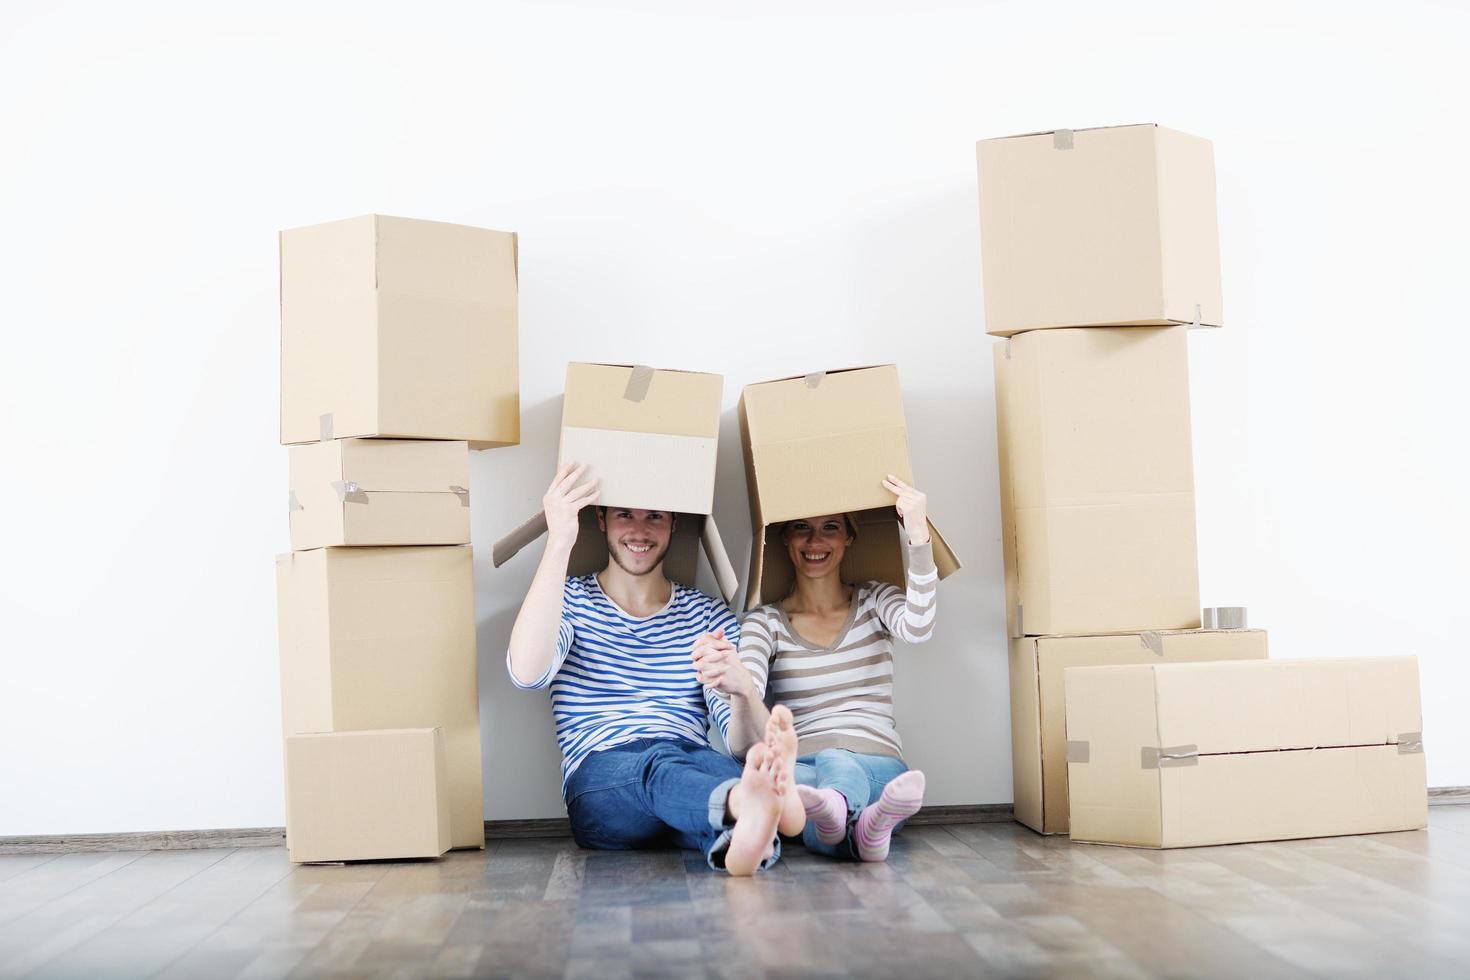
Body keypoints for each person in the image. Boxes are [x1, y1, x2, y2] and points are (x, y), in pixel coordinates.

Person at [506, 462, 803, 875]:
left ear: (674, 523)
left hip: (691, 767)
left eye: (655, 516)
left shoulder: (707, 615)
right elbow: (526, 673)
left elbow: (741, 744)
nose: (639, 531)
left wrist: (743, 692)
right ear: (601, 519)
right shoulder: (568, 599)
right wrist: (560, 540)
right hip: (603, 776)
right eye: (625, 513)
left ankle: (742, 838)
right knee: (661, 763)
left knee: (724, 767)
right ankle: (748, 803)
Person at [727, 475, 937, 861]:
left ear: (849, 537)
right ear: (785, 539)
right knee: (795, 795)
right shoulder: (765, 622)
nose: (814, 541)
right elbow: (750, 691)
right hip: (802, 763)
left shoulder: (875, 600)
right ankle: (867, 833)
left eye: (830, 528)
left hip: (876, 762)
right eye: (801, 528)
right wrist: (737, 686)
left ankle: (839, 806)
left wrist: (918, 533)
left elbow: (919, 627)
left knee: (830, 768)